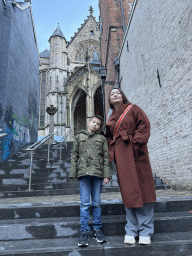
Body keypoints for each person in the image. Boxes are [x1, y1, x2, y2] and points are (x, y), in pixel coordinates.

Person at [105, 87, 156, 245]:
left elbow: (145, 125)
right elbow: (108, 137)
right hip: (122, 157)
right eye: (112, 94)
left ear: (123, 96)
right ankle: (131, 230)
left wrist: (135, 143)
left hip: (137, 153)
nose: (115, 95)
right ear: (109, 99)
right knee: (128, 192)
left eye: (118, 92)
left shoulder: (133, 108)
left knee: (143, 190)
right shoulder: (111, 117)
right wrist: (114, 152)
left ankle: (145, 230)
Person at [69, 115, 111, 247]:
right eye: (94, 122)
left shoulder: (102, 139)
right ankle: (84, 231)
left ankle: (97, 229)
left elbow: (106, 157)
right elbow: (74, 155)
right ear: (88, 122)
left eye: (98, 124)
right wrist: (73, 172)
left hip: (97, 174)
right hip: (83, 174)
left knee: (97, 203)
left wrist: (107, 175)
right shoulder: (79, 137)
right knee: (85, 204)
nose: (95, 125)